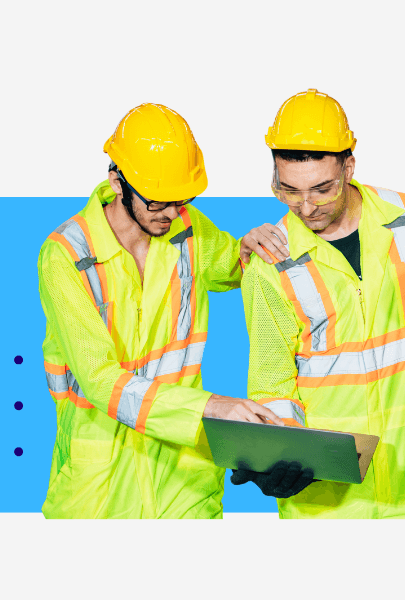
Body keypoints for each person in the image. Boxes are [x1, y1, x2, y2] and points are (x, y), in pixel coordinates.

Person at [37, 103, 300, 519]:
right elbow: (101, 381)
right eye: (158, 202)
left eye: (182, 200)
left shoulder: (185, 226)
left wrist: (252, 246)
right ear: (116, 182)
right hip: (102, 483)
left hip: (184, 475)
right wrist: (213, 408)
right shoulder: (67, 256)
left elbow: (234, 265)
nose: (171, 213)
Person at [235, 89, 405, 518]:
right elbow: (272, 382)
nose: (306, 207)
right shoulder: (270, 262)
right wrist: (281, 452)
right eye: (288, 191)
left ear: (349, 167)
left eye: (321, 189)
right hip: (323, 501)